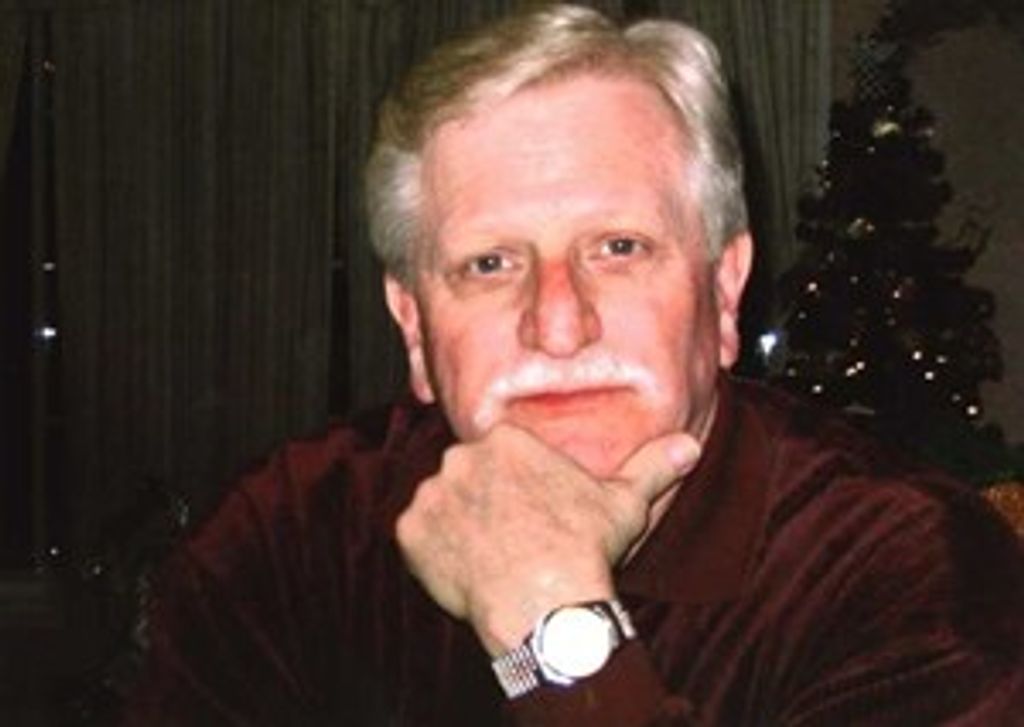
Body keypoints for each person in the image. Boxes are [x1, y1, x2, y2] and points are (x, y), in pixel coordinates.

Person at [123, 5, 1023, 725]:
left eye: (619, 247)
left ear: (723, 295)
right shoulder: (287, 539)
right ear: (414, 327)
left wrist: (551, 630)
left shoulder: (911, 572)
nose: (559, 324)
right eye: (490, 263)